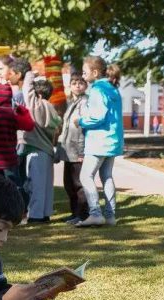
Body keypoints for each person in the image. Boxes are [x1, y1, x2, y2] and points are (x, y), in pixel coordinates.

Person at [75, 58, 123, 228]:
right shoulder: (113, 88)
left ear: (95, 73)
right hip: (112, 141)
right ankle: (110, 216)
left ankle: (95, 213)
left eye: (84, 71)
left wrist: (80, 121)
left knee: (85, 176)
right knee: (106, 177)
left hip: (98, 141)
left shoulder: (97, 89)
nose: (82, 74)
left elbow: (98, 116)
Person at [20, 73, 61, 223]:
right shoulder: (52, 108)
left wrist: (29, 75)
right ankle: (45, 213)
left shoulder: (37, 106)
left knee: (35, 184)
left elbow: (26, 91)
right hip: (48, 149)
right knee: (46, 185)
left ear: (37, 93)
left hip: (35, 148)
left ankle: (36, 215)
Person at [57, 73, 89, 225]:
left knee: (78, 184)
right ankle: (74, 212)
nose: (77, 85)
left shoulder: (85, 103)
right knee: (68, 184)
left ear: (85, 85)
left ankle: (83, 214)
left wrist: (82, 151)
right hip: (68, 150)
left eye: (80, 83)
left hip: (77, 151)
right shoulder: (71, 102)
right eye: (74, 83)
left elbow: (82, 129)